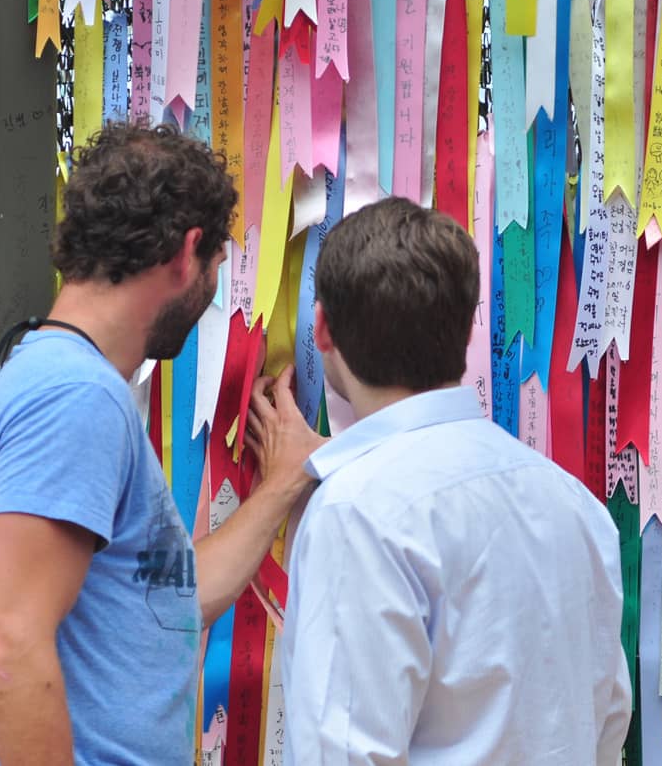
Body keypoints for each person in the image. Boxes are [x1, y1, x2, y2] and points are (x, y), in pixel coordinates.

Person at [0, 123, 317, 765]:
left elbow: (164, 598)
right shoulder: (75, 397)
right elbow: (7, 642)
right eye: (213, 271)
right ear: (186, 252)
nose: (208, 297)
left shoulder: (39, 379)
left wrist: (283, 480)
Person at [247, 198, 631, 764]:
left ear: (322, 327)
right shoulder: (574, 504)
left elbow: (344, 753)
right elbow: (606, 721)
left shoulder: (357, 512)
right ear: (465, 328)